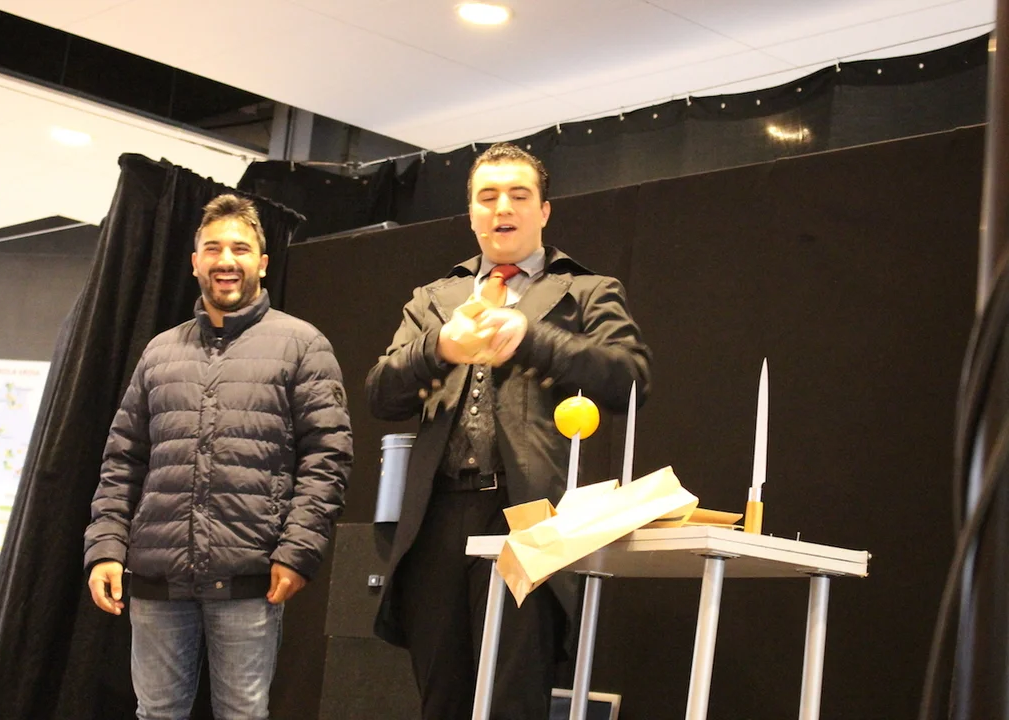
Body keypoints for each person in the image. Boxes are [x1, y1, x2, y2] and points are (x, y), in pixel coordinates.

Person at [366, 143, 651, 720]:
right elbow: (380, 393)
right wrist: (440, 347)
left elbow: (630, 378)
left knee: (512, 700)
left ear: (544, 211)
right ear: (471, 213)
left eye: (519, 195)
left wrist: (530, 337)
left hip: (528, 516)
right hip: (435, 519)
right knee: (441, 699)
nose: (503, 208)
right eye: (488, 196)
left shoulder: (587, 290)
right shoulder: (434, 299)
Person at [84, 194, 353, 720]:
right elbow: (122, 460)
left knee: (243, 714)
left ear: (263, 262)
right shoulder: (159, 352)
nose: (226, 260)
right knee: (155, 713)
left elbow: (328, 459)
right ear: (195, 262)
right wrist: (106, 547)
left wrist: (297, 551)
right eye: (213, 248)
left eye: (240, 248)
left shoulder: (303, 344)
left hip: (250, 578)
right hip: (157, 578)